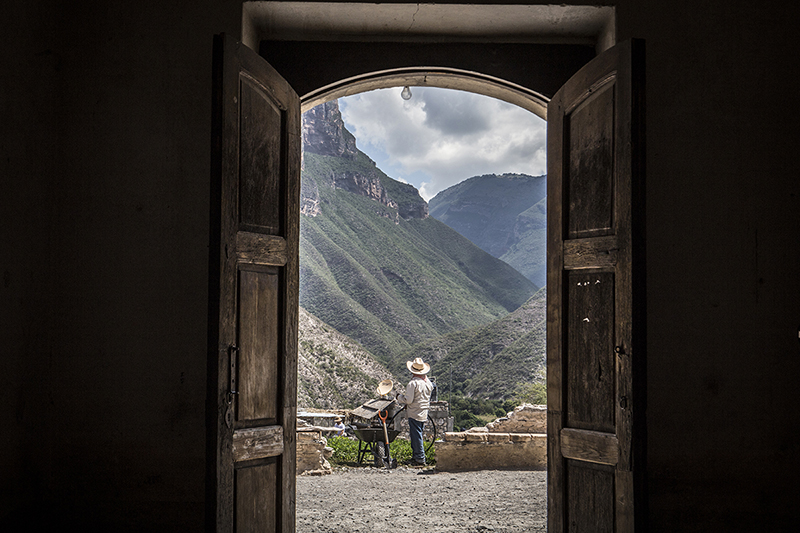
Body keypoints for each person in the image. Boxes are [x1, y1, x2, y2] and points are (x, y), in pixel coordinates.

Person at [396, 357, 434, 466]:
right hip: (423, 411)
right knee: (418, 433)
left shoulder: (413, 383)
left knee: (416, 435)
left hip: (414, 412)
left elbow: (409, 400)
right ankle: (416, 457)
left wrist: (399, 397)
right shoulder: (428, 383)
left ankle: (420, 458)